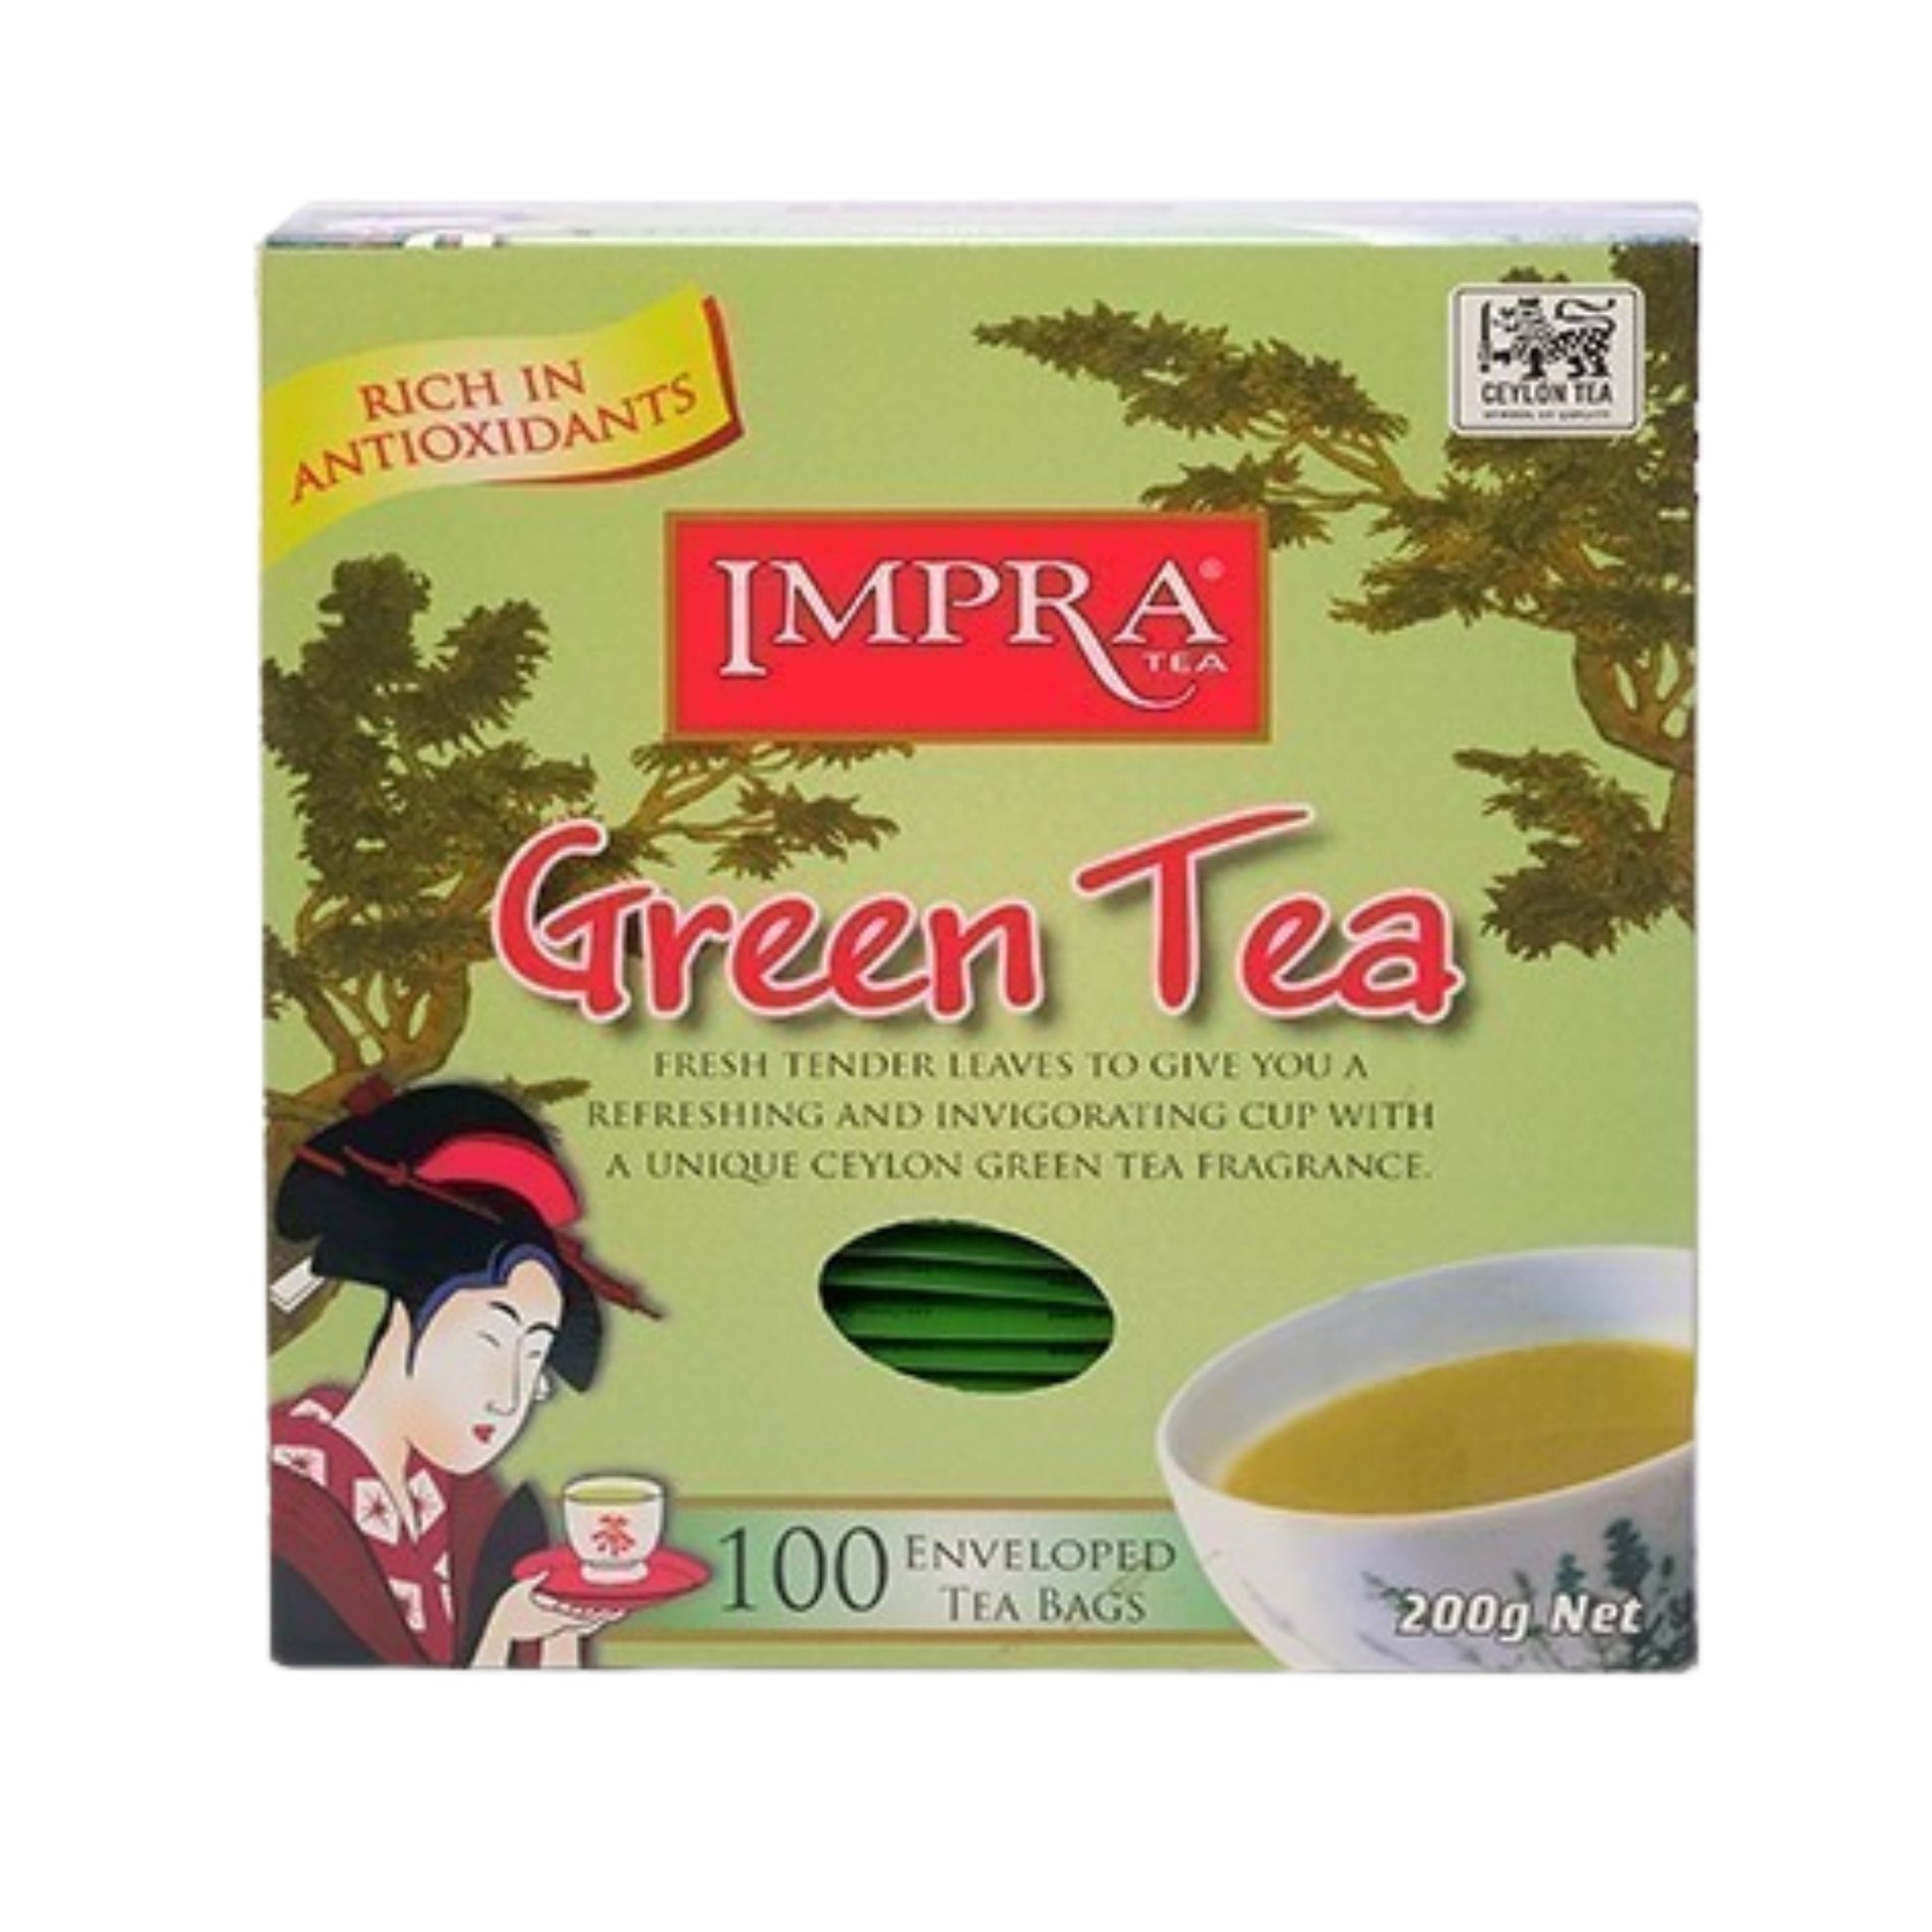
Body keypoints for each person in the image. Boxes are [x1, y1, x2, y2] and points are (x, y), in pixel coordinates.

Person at [269, 1080, 657, 1666]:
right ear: (404, 1322)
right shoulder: (285, 1507)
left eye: (533, 1357)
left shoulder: (486, 1518)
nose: (509, 1398)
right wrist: (502, 1632)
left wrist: (554, 1634)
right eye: (489, 1341)